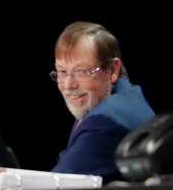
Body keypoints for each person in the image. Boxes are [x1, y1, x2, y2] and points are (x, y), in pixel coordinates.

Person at [50, 22, 155, 178]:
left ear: (113, 70)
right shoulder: (126, 97)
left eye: (82, 71)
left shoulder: (105, 122)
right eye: (62, 71)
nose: (68, 85)